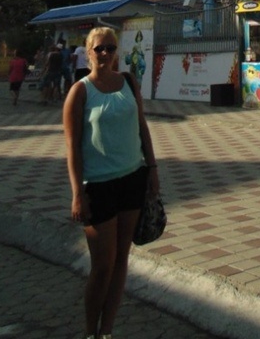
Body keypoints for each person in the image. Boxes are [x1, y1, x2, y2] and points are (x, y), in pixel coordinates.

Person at [63, 26, 160, 339]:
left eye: (110, 48)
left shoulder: (129, 82)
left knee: (121, 260)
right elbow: (72, 146)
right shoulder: (80, 90)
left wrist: (152, 168)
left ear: (117, 51)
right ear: (88, 51)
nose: (105, 54)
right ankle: (90, 331)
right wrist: (78, 194)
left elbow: (141, 126)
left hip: (132, 178)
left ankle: (107, 330)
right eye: (99, 48)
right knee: (102, 264)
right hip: (99, 185)